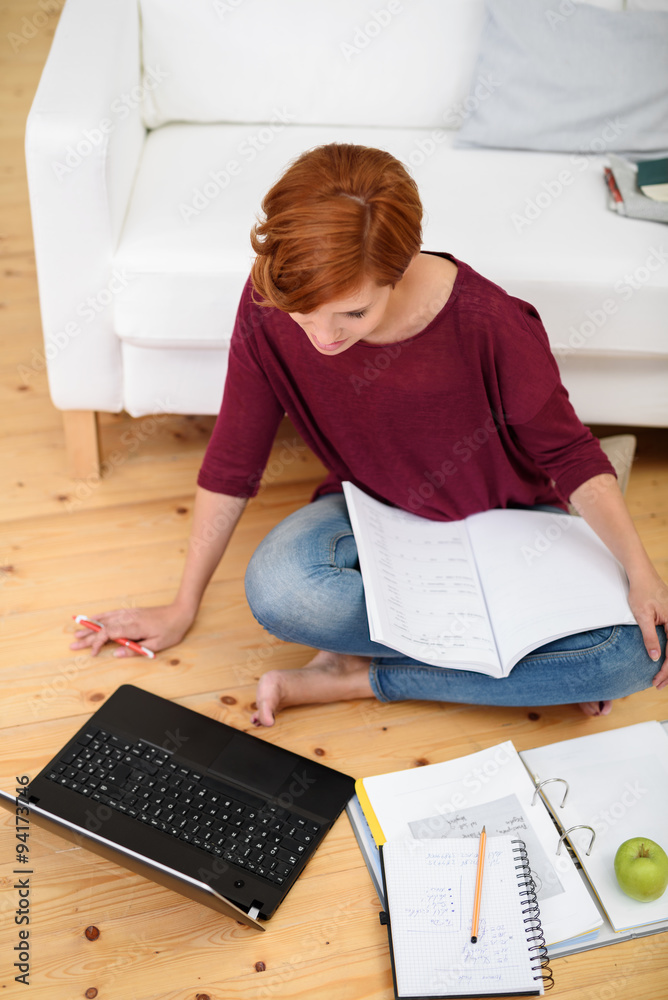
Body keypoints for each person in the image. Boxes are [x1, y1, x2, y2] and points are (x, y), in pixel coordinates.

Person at [71, 143, 668, 726]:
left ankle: (357, 677)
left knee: (631, 658)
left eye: (352, 314)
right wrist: (182, 606)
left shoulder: (491, 323)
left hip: (507, 524)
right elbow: (233, 457)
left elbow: (567, 452)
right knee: (283, 592)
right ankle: (513, 664)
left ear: (398, 269)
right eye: (305, 317)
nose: (323, 337)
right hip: (372, 516)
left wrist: (642, 574)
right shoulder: (270, 301)